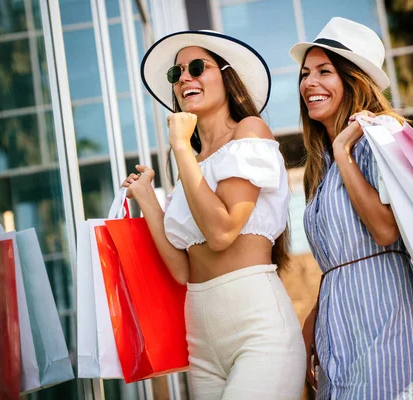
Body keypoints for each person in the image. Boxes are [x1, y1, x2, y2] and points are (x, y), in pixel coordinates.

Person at [123, 31, 305, 399]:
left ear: (226, 75)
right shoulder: (191, 169)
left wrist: (179, 147)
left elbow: (222, 232)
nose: (185, 78)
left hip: (258, 330)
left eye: (196, 67)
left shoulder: (248, 132)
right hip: (201, 339)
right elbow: (180, 269)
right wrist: (148, 199)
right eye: (176, 74)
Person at [291, 17, 413, 398]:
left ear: (353, 80)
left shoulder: (378, 137)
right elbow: (336, 261)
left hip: (386, 317)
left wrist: (344, 152)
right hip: (336, 322)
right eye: (306, 73)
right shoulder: (319, 166)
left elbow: (385, 230)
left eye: (324, 71)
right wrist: (313, 322)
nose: (309, 83)